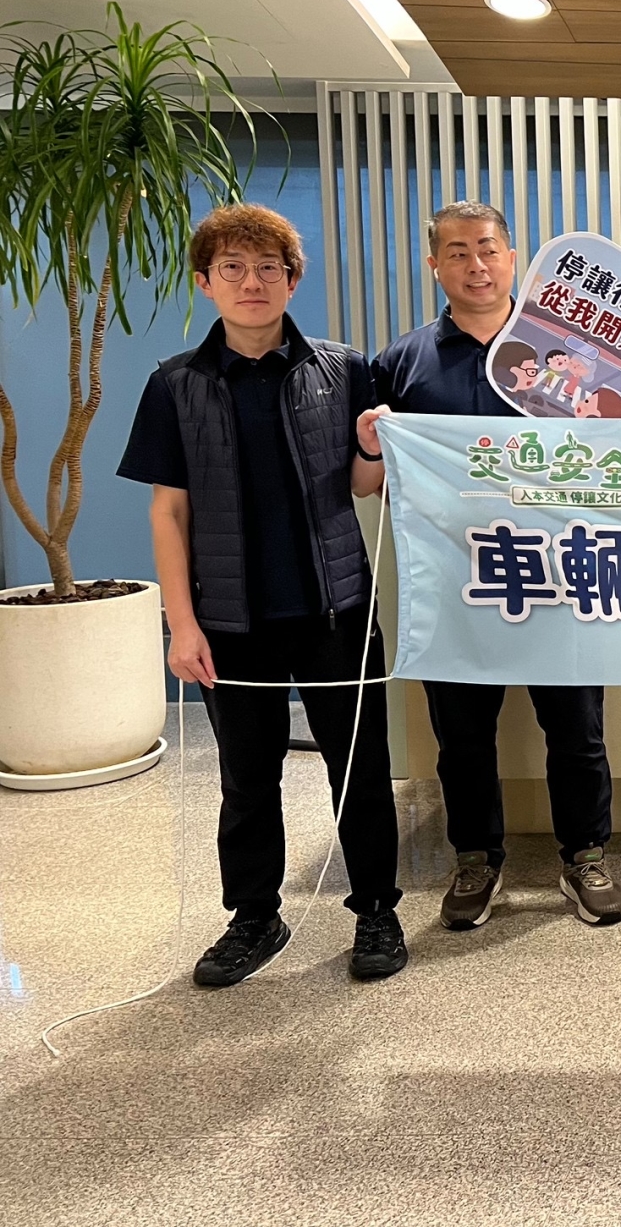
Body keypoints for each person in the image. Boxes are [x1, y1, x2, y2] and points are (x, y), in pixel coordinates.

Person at [117, 204, 406, 987]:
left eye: (269, 268)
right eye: (234, 268)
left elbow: (363, 486)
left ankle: (377, 910)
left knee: (361, 768)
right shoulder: (175, 384)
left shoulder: (342, 369)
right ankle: (254, 917)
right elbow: (168, 512)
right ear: (205, 282)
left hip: (336, 610)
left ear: (292, 279)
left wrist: (372, 448)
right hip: (229, 619)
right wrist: (181, 626)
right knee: (247, 778)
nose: (253, 282)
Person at [364, 202, 621, 929]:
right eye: (457, 252)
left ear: (514, 258)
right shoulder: (401, 364)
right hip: (454, 580)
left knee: (577, 730)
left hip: (562, 572)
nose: (475, 265)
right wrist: (373, 442)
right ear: (434, 266)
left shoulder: (573, 355)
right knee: (462, 737)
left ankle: (585, 855)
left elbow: (615, 460)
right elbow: (373, 482)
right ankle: (476, 859)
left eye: (487, 249)